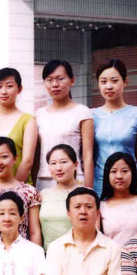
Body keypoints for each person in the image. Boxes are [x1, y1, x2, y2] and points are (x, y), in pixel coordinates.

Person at [92, 59, 137, 195]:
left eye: (114, 81)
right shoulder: (91, 115)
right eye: (103, 81)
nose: (108, 86)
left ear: (125, 82)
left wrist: (131, 176)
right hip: (100, 182)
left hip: (130, 182)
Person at [35, 60, 93, 191]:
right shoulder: (39, 115)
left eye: (60, 79)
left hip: (74, 179)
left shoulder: (82, 112)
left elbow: (88, 156)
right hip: (44, 179)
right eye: (49, 80)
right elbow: (36, 156)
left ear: (72, 81)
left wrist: (89, 191)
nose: (55, 84)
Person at [0, 68, 38, 184]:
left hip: (20, 187)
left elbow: (27, 161)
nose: (3, 91)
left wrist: (12, 188)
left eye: (9, 86)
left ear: (19, 89)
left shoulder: (28, 121)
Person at [36, 144, 78, 250]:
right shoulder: (42, 195)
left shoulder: (85, 194)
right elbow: (36, 231)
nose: (58, 168)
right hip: (48, 254)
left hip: (76, 253)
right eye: (53, 163)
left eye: (63, 162)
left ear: (76, 164)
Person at [100, 152, 137, 246]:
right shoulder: (100, 207)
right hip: (112, 255)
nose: (119, 176)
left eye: (124, 171)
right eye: (114, 171)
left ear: (133, 173)